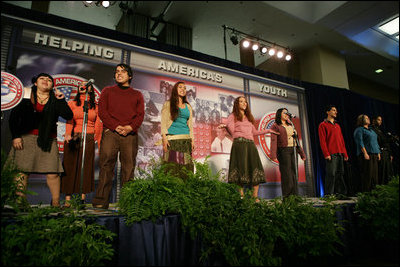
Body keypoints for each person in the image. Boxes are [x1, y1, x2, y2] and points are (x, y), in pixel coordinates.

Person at [7, 73, 73, 207]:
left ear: (52, 86)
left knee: (53, 172)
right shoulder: (26, 95)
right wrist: (16, 136)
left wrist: (61, 99)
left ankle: (55, 202)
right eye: (42, 78)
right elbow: (13, 118)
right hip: (26, 139)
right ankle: (20, 202)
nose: (46, 81)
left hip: (48, 140)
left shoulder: (55, 99)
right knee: (22, 171)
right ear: (35, 83)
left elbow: (68, 115)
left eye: (49, 80)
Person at [92, 64, 145, 209]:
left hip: (130, 135)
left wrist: (129, 127)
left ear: (130, 76)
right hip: (111, 132)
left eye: (123, 71)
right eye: (117, 72)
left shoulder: (137, 95)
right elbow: (102, 112)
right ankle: (101, 201)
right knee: (106, 165)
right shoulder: (107, 91)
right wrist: (116, 126)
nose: (119, 74)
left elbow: (140, 115)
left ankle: (127, 202)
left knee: (128, 168)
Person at [222, 96, 279, 201]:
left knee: (255, 169)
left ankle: (255, 196)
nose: (244, 103)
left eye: (245, 102)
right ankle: (241, 196)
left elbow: (254, 132)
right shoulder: (233, 116)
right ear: (237, 104)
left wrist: (268, 131)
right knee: (240, 170)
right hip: (239, 145)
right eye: (241, 101)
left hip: (250, 145)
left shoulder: (249, 117)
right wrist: (226, 127)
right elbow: (233, 132)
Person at [61, 81, 102, 207]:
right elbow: (69, 121)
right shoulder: (72, 103)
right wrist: (68, 134)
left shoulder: (95, 106)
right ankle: (68, 199)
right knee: (70, 167)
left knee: (86, 167)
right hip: (74, 137)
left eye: (86, 85)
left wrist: (99, 143)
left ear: (90, 89)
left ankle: (82, 198)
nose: (83, 86)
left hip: (88, 138)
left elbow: (98, 125)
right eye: (81, 85)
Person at [161, 81, 194, 179]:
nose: (182, 89)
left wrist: (192, 140)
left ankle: (185, 191)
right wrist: (164, 138)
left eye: (184, 88)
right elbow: (163, 123)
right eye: (180, 87)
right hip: (173, 140)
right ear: (175, 89)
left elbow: (190, 125)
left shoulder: (188, 106)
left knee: (186, 168)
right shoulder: (168, 104)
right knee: (172, 168)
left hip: (186, 140)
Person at [270, 108, 306, 198]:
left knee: (294, 173)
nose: (286, 114)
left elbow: (296, 140)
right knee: (287, 174)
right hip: (283, 151)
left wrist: (302, 153)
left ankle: (295, 196)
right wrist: (273, 155)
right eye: (284, 112)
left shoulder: (291, 125)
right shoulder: (276, 126)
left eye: (287, 112)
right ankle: (287, 197)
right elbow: (273, 141)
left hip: (293, 150)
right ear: (279, 114)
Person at [318, 105, 349, 196]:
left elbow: (342, 140)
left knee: (340, 174)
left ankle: (341, 194)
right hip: (331, 154)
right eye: (333, 110)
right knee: (331, 174)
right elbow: (322, 141)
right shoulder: (323, 125)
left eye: (336, 110)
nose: (336, 112)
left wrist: (345, 154)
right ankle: (328, 194)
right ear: (328, 112)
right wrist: (326, 154)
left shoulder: (337, 126)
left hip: (340, 153)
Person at [353, 114, 380, 192]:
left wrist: (378, 153)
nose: (368, 119)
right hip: (366, 154)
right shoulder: (359, 130)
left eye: (368, 118)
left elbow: (375, 142)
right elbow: (360, 142)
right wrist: (365, 153)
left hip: (374, 154)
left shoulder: (371, 130)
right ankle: (366, 194)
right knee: (367, 175)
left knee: (375, 176)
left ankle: (374, 194)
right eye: (366, 118)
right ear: (361, 120)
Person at [370, 115, 393, 185]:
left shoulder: (380, 130)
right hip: (381, 152)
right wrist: (390, 139)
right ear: (374, 120)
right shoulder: (372, 130)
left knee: (387, 172)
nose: (380, 121)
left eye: (381, 120)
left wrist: (390, 153)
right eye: (379, 120)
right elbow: (380, 141)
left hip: (386, 153)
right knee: (382, 172)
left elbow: (386, 143)